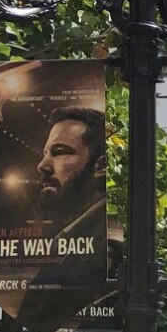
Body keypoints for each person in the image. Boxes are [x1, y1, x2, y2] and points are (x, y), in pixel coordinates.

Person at [33, 106, 107, 248]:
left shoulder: (103, 241)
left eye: (60, 152)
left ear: (101, 165)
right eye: (45, 153)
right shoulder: (70, 238)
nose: (42, 165)